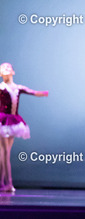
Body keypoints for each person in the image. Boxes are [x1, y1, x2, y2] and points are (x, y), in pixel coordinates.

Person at [0, 63, 48, 192]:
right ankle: (8, 183)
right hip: (2, 121)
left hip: (13, 121)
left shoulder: (18, 88)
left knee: (5, 153)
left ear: (13, 72)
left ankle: (3, 183)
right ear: (0, 73)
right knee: (4, 152)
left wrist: (45, 93)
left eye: (8, 67)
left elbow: (33, 92)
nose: (6, 69)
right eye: (3, 68)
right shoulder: (1, 87)